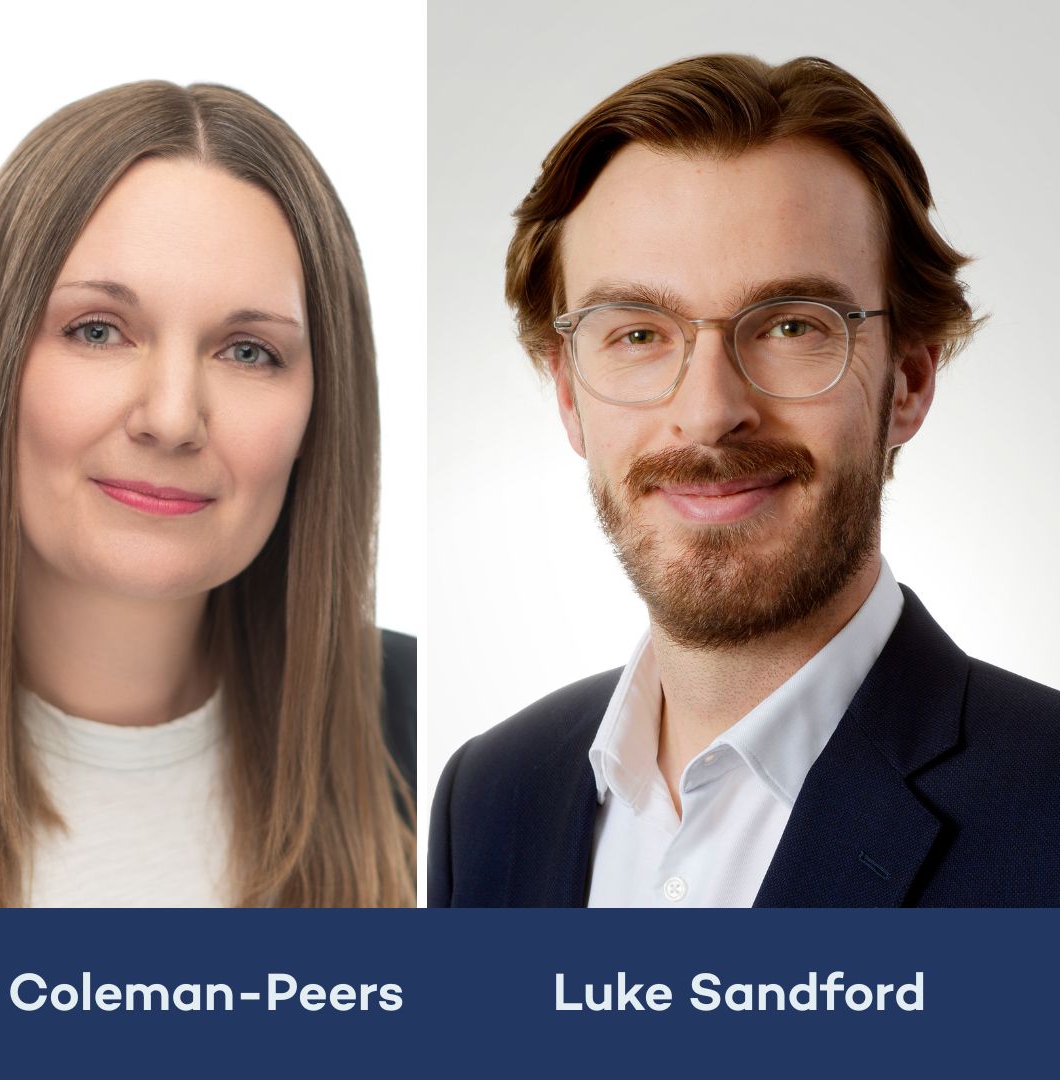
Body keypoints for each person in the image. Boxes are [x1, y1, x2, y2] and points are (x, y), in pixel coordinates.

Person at [429, 54, 1060, 908]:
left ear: (909, 379)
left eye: (791, 325)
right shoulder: (489, 799)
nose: (708, 412)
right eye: (639, 334)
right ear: (570, 394)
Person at [0, 81, 415, 908]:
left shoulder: (427, 737)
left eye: (249, 351)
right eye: (98, 331)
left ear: (320, 406)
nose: (171, 416)